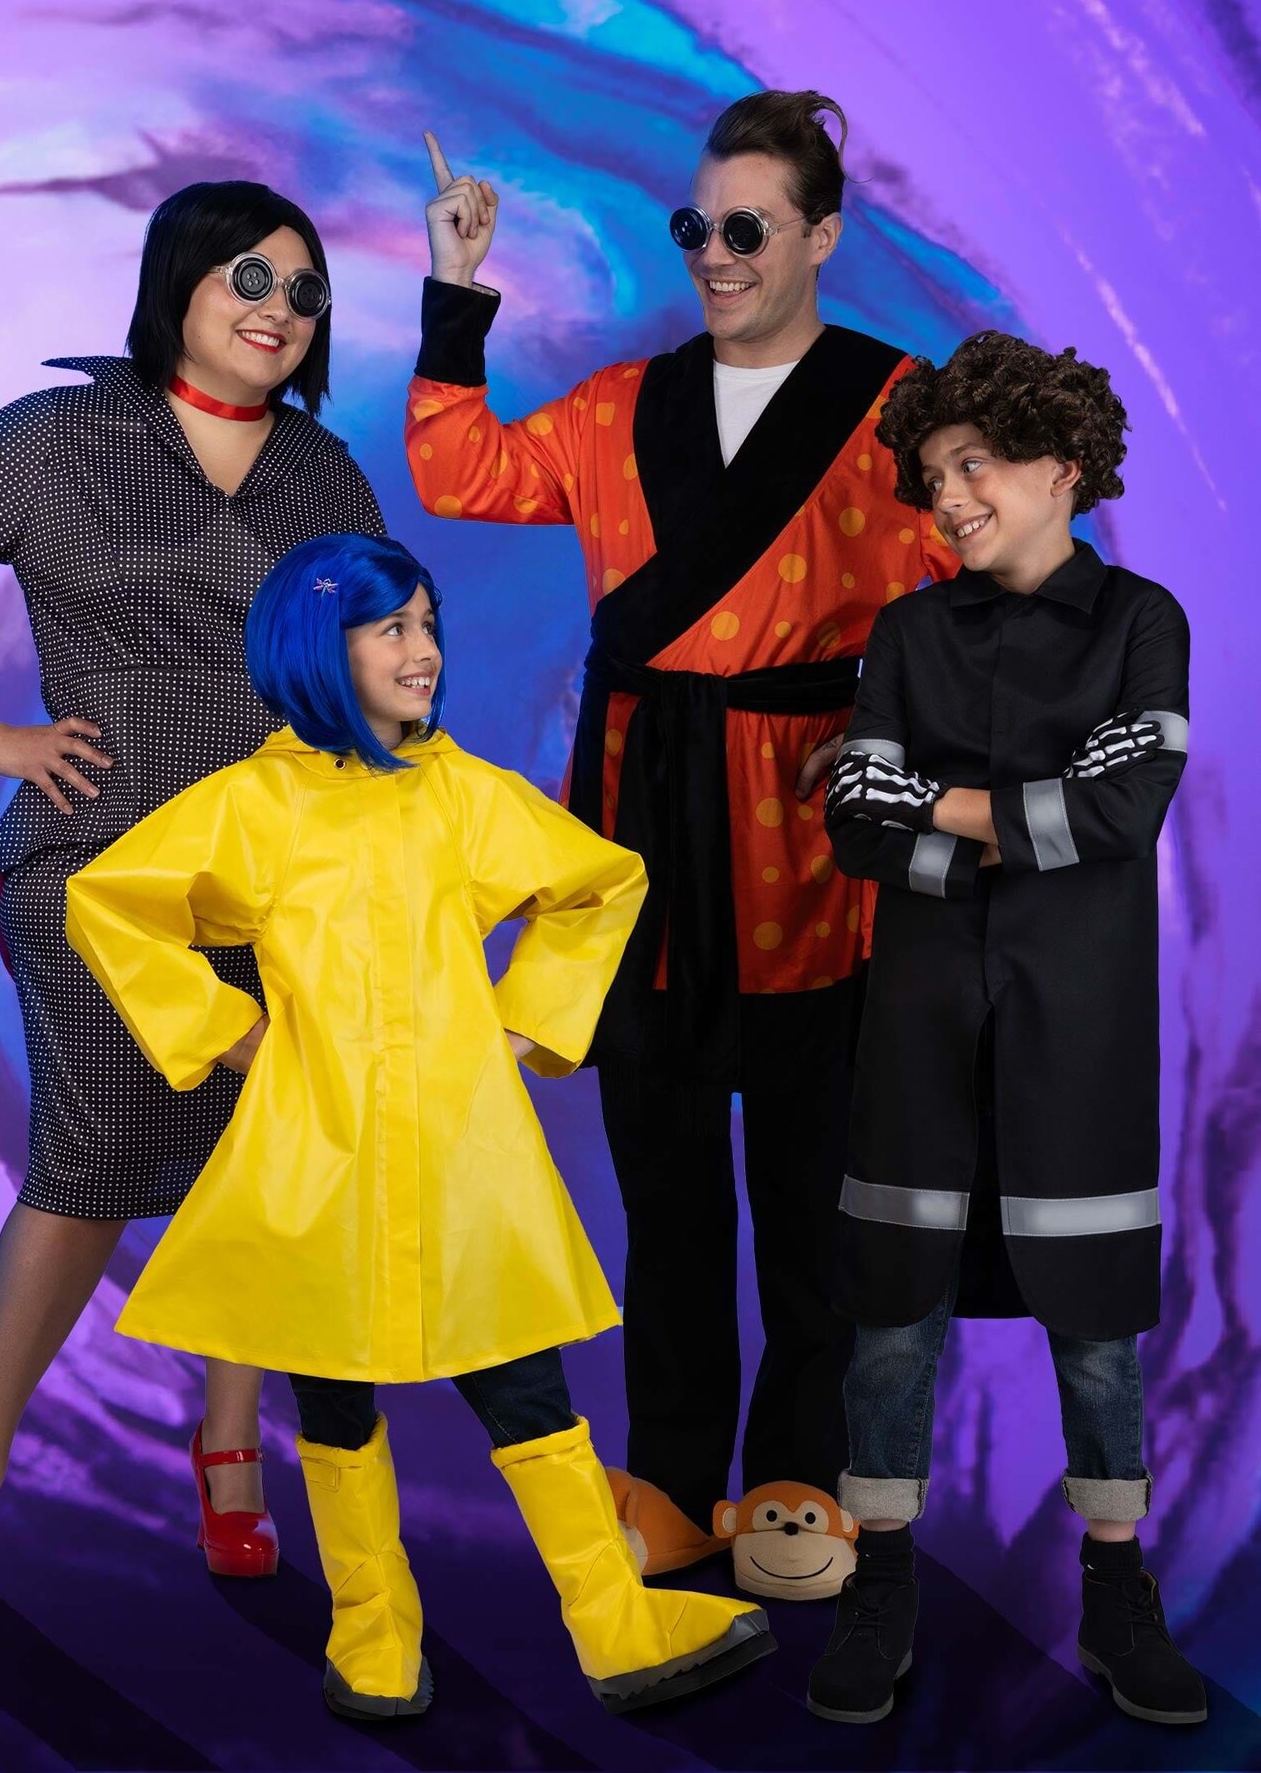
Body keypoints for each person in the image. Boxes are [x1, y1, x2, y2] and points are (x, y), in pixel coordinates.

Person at [64, 531, 774, 1719]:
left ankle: (616, 1624)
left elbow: (603, 882)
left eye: (429, 622)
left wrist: (523, 1022)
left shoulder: (466, 796)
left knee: (526, 1386)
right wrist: (233, 1035)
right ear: (317, 647)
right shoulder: (252, 806)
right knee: (333, 1397)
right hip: (318, 1149)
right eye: (391, 626)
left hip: (460, 1150)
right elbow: (109, 901)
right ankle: (373, 1636)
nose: (424, 648)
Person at [404, 95, 953, 1586]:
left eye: (748, 228)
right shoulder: (617, 405)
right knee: (666, 1193)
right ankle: (667, 1477)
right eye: (696, 226)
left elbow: (1000, 573)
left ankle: (797, 1481)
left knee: (813, 1188)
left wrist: (905, 730)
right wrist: (455, 284)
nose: (715, 253)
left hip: (810, 842)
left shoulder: (900, 411)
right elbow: (462, 473)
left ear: (821, 236)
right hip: (638, 826)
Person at [0, 182, 385, 1627]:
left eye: (305, 291)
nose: (279, 308)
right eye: (249, 276)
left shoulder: (325, 474)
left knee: (263, 1164)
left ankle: (229, 1439)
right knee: (88, 1163)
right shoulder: (61, 435)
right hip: (100, 866)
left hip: (282, 873)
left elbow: (381, 653)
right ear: (178, 283)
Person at [808, 332, 1206, 1727]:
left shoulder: (1142, 621)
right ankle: (880, 1582)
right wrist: (1024, 823)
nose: (950, 497)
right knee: (891, 1315)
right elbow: (855, 820)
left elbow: (1126, 810)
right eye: (933, 476)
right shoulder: (910, 632)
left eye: (973, 465)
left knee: (1095, 1326)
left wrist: (936, 801)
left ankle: (1118, 1589)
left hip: (1078, 1016)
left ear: (1062, 463)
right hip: (919, 1012)